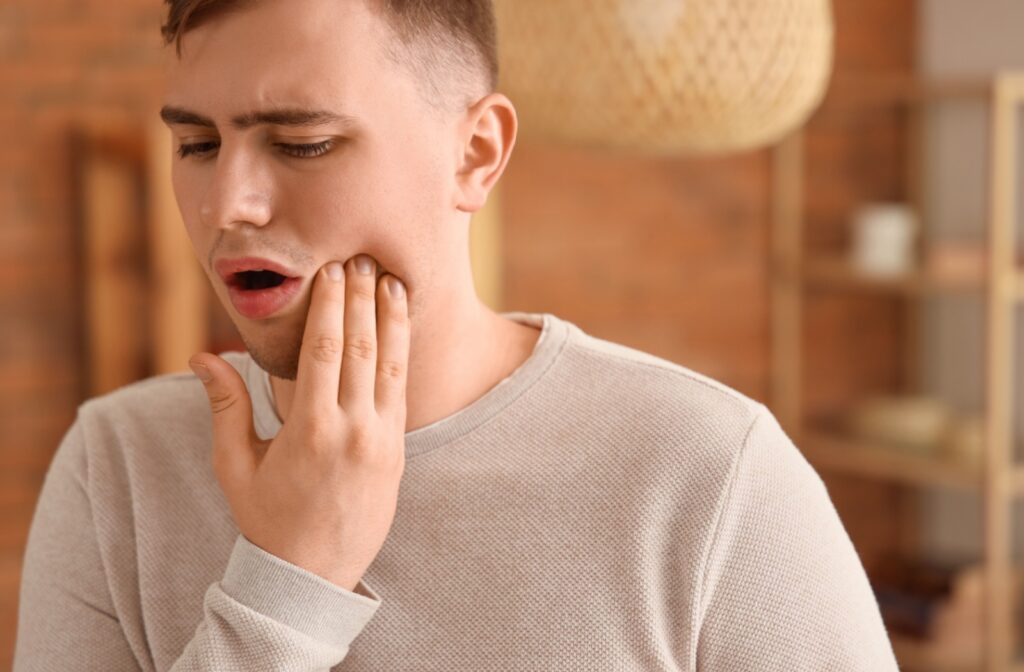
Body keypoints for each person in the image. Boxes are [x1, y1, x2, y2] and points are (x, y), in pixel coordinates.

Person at [13, 0, 900, 670]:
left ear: (476, 152)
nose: (225, 205)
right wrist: (286, 585)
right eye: (197, 145)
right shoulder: (116, 466)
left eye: (304, 143)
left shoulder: (710, 474)